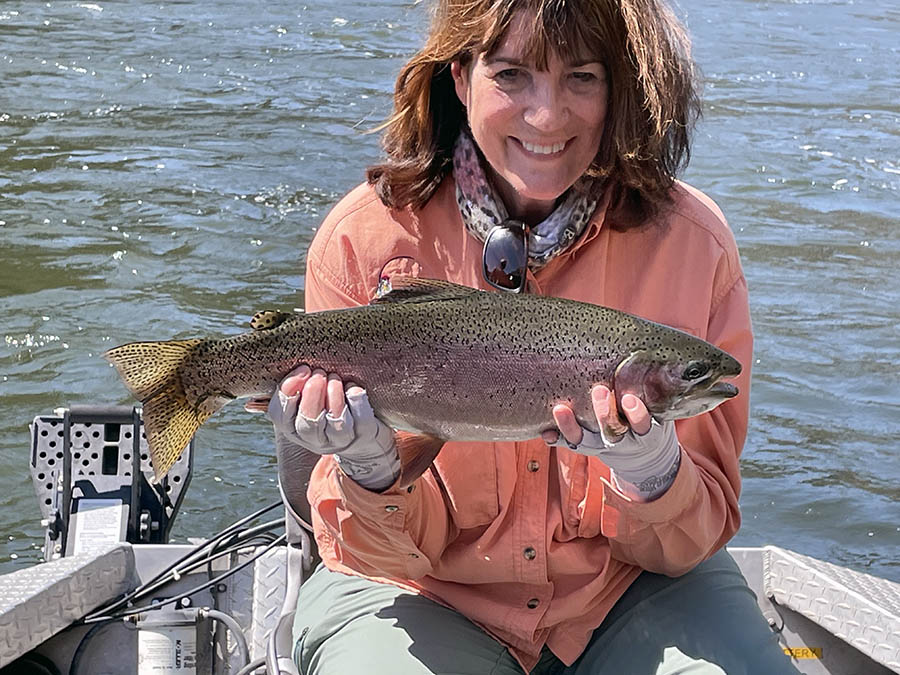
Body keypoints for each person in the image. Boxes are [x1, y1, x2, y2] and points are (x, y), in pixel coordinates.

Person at [260, 1, 801, 673]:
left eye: (582, 77)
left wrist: (655, 472)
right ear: (460, 78)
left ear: (619, 88)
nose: (547, 116)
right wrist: (371, 470)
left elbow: (690, 543)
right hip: (416, 590)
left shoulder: (696, 247)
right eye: (512, 74)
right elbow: (368, 555)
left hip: (628, 591)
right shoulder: (361, 241)